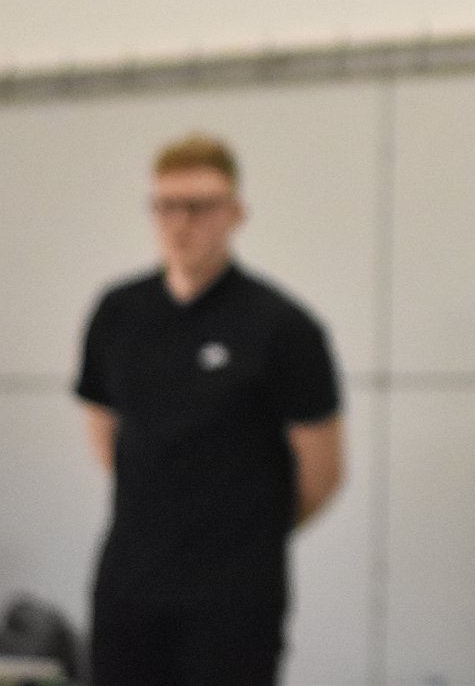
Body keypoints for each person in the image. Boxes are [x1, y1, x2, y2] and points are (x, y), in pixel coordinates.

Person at [74, 133, 344, 686]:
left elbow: (323, 472)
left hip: (233, 595)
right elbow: (105, 432)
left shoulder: (281, 327)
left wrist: (247, 531)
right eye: (166, 207)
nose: (181, 224)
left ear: (235, 214)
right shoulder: (117, 313)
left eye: (199, 207)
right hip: (131, 584)